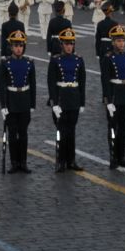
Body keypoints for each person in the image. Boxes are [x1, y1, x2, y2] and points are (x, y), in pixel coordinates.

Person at [0, 29, 37, 173]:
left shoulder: (29, 63)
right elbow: (2, 86)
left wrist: (32, 104)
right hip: (11, 102)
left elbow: (32, 85)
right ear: (11, 47)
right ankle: (14, 162)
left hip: (24, 101)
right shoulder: (5, 63)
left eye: (21, 45)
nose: (18, 48)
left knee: (24, 134)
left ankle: (23, 162)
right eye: (16, 45)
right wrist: (3, 105)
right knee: (13, 135)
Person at [47, 27, 86, 171]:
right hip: (61, 99)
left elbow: (82, 82)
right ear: (61, 44)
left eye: (71, 43)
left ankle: (71, 161)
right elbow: (51, 83)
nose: (69, 46)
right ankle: (60, 161)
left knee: (71, 132)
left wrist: (82, 102)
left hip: (74, 99)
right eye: (66, 43)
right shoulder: (55, 60)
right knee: (60, 132)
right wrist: (54, 102)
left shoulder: (78, 60)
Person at [100, 24, 125, 170]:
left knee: (124, 128)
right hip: (114, 95)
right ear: (112, 42)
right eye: (118, 41)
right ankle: (113, 157)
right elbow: (105, 80)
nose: (121, 43)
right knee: (113, 127)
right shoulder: (108, 58)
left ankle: (122, 156)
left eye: (123, 40)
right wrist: (107, 100)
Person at [93, 2, 119, 68]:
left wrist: (97, 52)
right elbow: (117, 38)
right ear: (110, 12)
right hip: (111, 46)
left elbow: (97, 39)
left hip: (102, 47)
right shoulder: (115, 24)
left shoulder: (100, 23)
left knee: (103, 67)